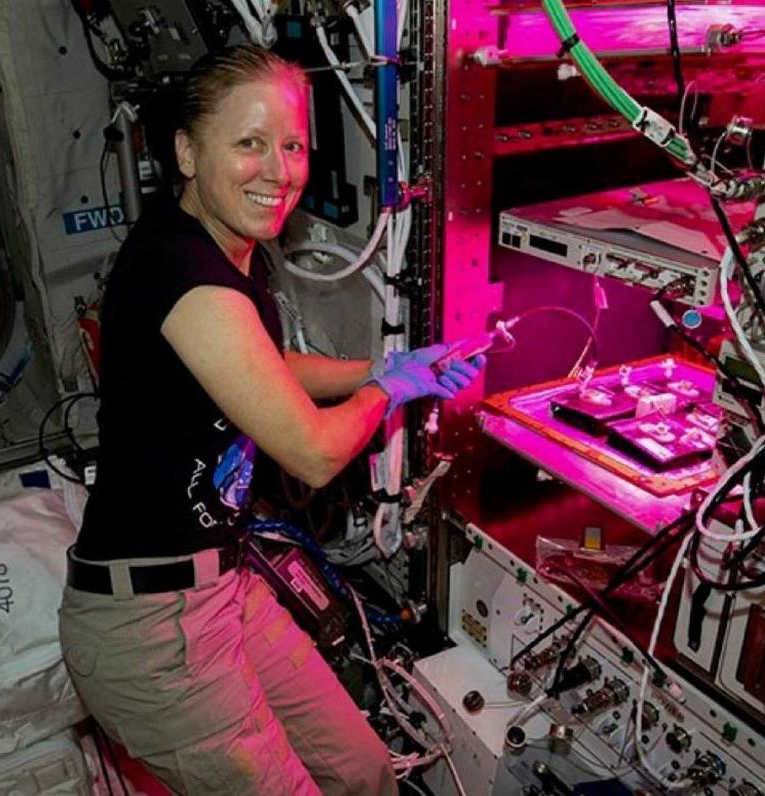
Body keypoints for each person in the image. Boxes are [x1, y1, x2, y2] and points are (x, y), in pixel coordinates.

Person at [58, 44, 483, 795]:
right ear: (187, 151)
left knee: (362, 771)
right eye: (249, 143)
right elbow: (313, 453)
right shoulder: (181, 271)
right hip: (150, 630)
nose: (278, 170)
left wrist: (383, 369)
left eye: (292, 146)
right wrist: (389, 396)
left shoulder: (217, 249)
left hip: (222, 588)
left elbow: (261, 371)